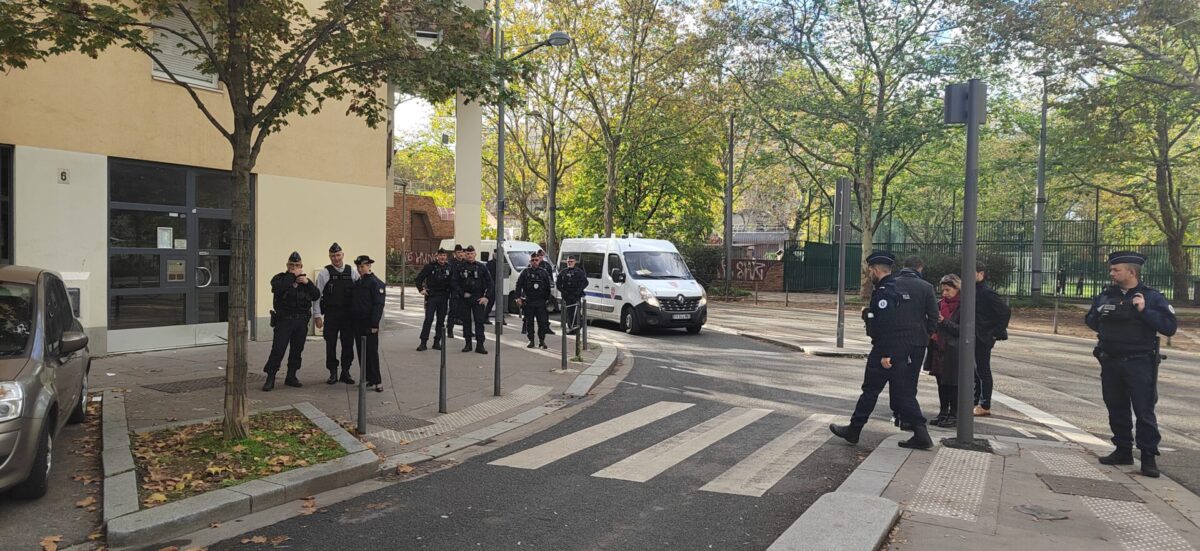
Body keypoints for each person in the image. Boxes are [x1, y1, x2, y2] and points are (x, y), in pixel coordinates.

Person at [1085, 251, 1177, 478]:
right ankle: (1123, 449)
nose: (1112, 273)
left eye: (1116, 270)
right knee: (1115, 406)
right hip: (1110, 360)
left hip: (1139, 362)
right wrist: (1099, 313)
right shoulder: (1106, 295)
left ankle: (1148, 457)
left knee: (1144, 410)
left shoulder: (1153, 297)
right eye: (1112, 270)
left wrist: (1145, 311)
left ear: (1131, 272)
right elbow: (1090, 320)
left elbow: (1169, 327)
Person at [829, 251, 932, 450]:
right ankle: (919, 432)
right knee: (903, 392)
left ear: (875, 270)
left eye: (870, 271)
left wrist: (886, 354)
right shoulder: (895, 287)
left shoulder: (885, 291)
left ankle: (855, 429)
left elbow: (887, 324)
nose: (869, 274)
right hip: (903, 347)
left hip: (887, 349)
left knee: (871, 390)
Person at [262, 251, 321, 391]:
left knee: (297, 350)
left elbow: (316, 295)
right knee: (278, 349)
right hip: (284, 321)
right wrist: (291, 276)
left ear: (301, 265)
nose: (294, 267)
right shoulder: (280, 278)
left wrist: (307, 283)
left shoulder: (305, 282)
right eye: (291, 265)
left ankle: (291, 375)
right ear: (287, 265)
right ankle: (270, 377)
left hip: (301, 321)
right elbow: (277, 288)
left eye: (297, 265)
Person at [892, 256, 938, 430]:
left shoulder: (892, 283)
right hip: (917, 340)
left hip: (895, 340)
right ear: (920, 269)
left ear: (904, 267)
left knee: (896, 377)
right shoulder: (926, 287)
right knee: (911, 380)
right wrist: (927, 333)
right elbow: (933, 314)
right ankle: (909, 417)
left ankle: (897, 413)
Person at [313, 242, 358, 385]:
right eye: (333, 256)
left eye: (338, 255)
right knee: (330, 344)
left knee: (348, 344)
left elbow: (360, 292)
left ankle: (346, 371)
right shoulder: (325, 273)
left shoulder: (352, 271)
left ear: (343, 255)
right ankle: (333, 372)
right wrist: (317, 315)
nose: (336, 258)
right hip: (332, 314)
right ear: (329, 257)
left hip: (348, 315)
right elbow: (316, 296)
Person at [972, 261, 1011, 417]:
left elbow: (1004, 311)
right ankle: (975, 401)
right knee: (975, 371)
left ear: (981, 274)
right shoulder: (973, 290)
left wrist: (994, 332)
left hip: (982, 336)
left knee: (982, 370)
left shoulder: (986, 292)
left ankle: (985, 404)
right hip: (975, 335)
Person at [924, 274, 962, 428]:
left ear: (957, 289)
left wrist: (943, 321)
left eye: (948, 290)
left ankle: (954, 414)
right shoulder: (940, 304)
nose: (944, 293)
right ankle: (943, 411)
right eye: (943, 290)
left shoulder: (963, 306)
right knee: (941, 382)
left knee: (953, 383)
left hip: (954, 349)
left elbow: (962, 330)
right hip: (938, 348)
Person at [351, 254, 386, 392]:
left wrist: (374, 324)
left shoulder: (375, 282)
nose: (360, 269)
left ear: (369, 266)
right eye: (359, 266)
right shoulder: (359, 282)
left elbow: (378, 305)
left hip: (369, 322)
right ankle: (366, 378)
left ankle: (377, 381)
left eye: (363, 266)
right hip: (357, 322)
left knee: (371, 351)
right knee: (361, 351)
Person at [451, 245, 493, 354]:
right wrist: (462, 293)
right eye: (468, 254)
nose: (469, 256)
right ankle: (468, 344)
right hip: (465, 298)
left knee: (479, 321)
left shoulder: (481, 267)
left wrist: (486, 296)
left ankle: (480, 345)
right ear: (465, 254)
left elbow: (490, 283)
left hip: (478, 297)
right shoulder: (460, 267)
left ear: (475, 254)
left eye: (471, 253)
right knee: (466, 321)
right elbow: (454, 282)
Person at [414, 248, 452, 351]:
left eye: (444, 255)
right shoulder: (430, 267)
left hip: (444, 297)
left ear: (446, 257)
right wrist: (421, 289)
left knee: (440, 321)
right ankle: (423, 342)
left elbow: (453, 282)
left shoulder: (450, 267)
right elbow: (418, 279)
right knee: (428, 319)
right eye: (440, 255)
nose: (442, 257)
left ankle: (437, 342)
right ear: (437, 256)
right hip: (432, 297)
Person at [515, 252, 554, 349]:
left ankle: (542, 341)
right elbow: (518, 285)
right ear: (530, 261)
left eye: (536, 260)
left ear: (539, 260)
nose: (535, 262)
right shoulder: (525, 272)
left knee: (542, 323)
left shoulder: (543, 272)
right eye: (533, 260)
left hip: (540, 302)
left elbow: (548, 288)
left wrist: (546, 300)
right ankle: (531, 340)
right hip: (529, 301)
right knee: (529, 322)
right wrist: (518, 297)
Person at [556, 254, 589, 334]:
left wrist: (578, 291)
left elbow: (585, 282)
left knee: (576, 312)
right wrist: (563, 291)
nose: (569, 263)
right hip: (567, 296)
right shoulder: (563, 272)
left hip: (576, 296)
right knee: (569, 313)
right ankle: (571, 328)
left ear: (574, 262)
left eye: (571, 261)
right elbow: (558, 284)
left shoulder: (579, 272)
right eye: (568, 261)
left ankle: (577, 328)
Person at [446, 244, 464, 340]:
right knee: (453, 311)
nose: (460, 254)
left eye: (461, 252)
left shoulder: (465, 262)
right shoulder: (451, 263)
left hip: (464, 291)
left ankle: (467, 330)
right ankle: (450, 330)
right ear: (454, 254)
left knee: (465, 312)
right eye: (458, 252)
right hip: (454, 291)